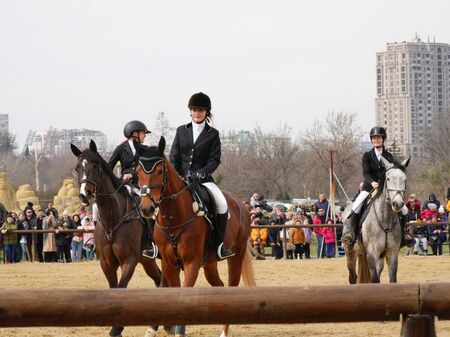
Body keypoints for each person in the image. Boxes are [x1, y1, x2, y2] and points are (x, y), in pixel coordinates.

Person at [169, 92, 234, 260]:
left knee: (221, 204)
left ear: (207, 112)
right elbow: (174, 156)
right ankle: (154, 244)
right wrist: (179, 175)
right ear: (190, 111)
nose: (197, 113)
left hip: (203, 181)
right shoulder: (181, 131)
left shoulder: (213, 133)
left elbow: (214, 160)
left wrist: (199, 174)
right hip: (181, 179)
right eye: (194, 110)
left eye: (201, 110)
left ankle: (220, 246)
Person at [342, 126, 413, 247]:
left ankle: (403, 234)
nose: (376, 140)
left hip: (386, 189)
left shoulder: (389, 156)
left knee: (404, 209)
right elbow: (366, 172)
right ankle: (350, 232)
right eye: (374, 138)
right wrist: (372, 182)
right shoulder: (367, 155)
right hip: (370, 187)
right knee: (357, 205)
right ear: (371, 140)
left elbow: (392, 173)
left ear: (383, 139)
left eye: (378, 137)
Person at [108, 120, 157, 259]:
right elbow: (109, 167)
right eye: (143, 133)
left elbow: (148, 169)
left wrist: (133, 174)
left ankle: (150, 242)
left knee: (149, 208)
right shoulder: (120, 149)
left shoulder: (146, 150)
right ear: (134, 134)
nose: (145, 136)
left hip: (142, 184)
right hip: (126, 185)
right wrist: (118, 180)